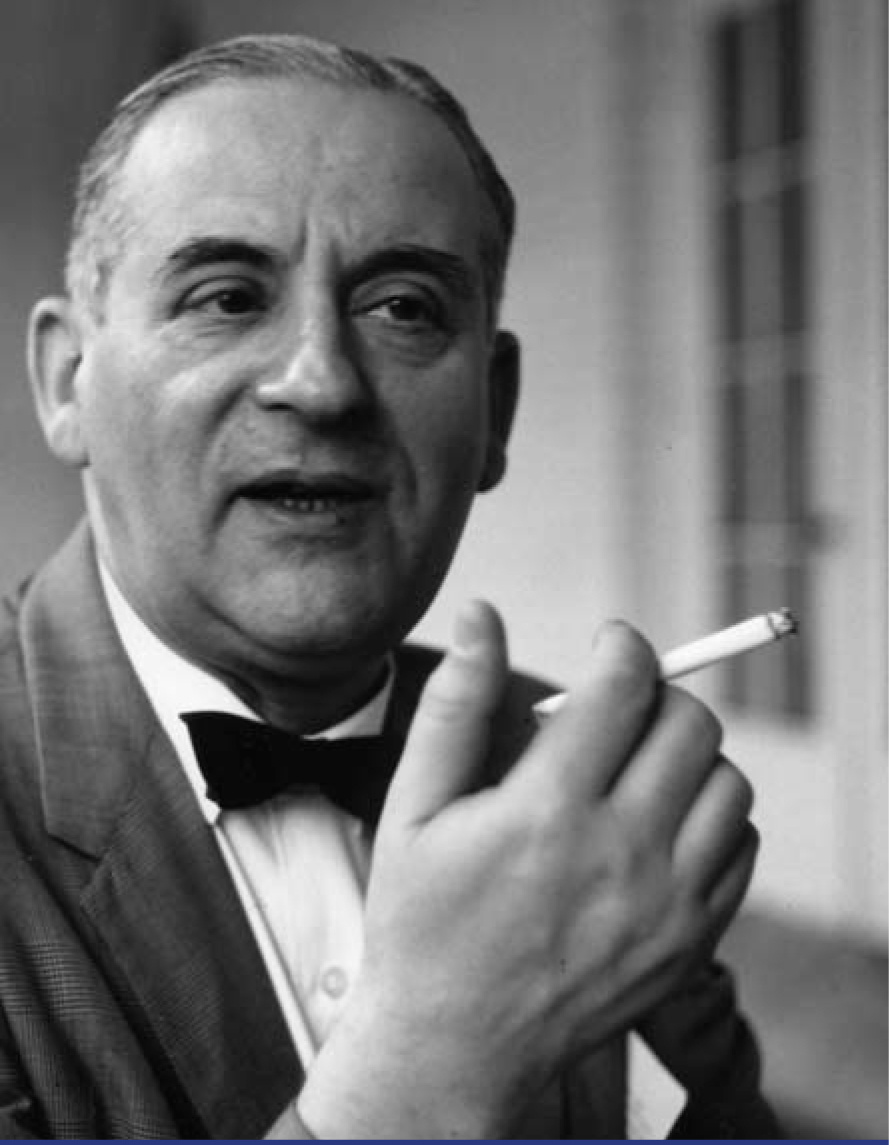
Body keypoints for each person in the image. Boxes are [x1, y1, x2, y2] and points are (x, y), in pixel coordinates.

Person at [0, 32, 782, 1139]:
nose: (320, 381)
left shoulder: (580, 791)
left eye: (404, 308)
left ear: (495, 410)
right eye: (225, 297)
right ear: (66, 380)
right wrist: (437, 1065)